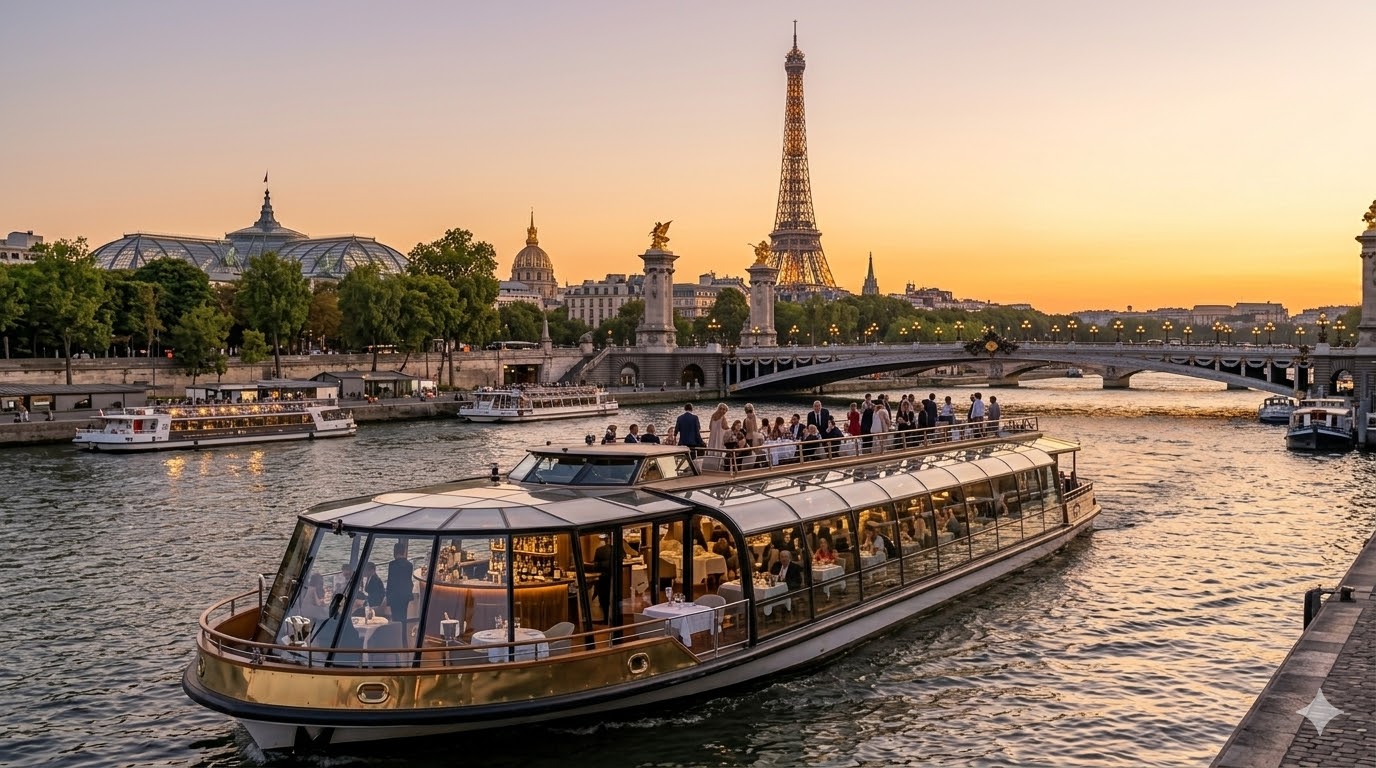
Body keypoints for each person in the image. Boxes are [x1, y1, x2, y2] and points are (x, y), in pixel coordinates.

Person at [385, 543, 414, 626]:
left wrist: (388, 596)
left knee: (395, 618)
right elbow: (408, 581)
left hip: (395, 595)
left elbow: (391, 582)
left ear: (395, 552)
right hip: (405, 595)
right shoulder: (409, 565)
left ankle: (397, 635)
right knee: (403, 617)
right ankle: (404, 637)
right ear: (404, 551)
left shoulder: (392, 564)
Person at [589, 535, 615, 621]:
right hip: (615, 578)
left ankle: (606, 618)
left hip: (603, 578)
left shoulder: (599, 550)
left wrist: (596, 565)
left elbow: (595, 567)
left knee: (604, 600)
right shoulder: (618, 549)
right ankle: (613, 618)